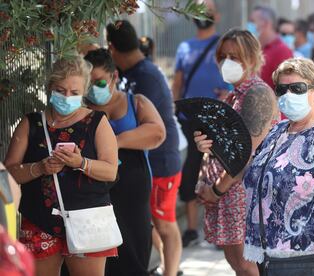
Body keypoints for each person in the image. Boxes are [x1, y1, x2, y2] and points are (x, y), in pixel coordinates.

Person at [213, 57, 314, 276]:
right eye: (283, 89)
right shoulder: (278, 131)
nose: (289, 95)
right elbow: (251, 169)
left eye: (297, 88)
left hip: (305, 258)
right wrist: (212, 146)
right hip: (267, 255)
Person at [4, 56, 119, 276]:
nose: (67, 97)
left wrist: (81, 163)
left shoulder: (97, 122)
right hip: (39, 220)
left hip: (88, 221)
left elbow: (111, 170)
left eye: (74, 92)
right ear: (50, 88)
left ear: (84, 91)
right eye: (61, 90)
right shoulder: (31, 123)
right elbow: (9, 172)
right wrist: (39, 168)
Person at [195, 28, 277, 276]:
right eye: (223, 56)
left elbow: (246, 154)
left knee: (246, 265)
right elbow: (223, 148)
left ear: (252, 58)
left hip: (243, 193)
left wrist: (217, 189)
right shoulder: (234, 95)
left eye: (236, 56)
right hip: (227, 192)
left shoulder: (257, 94)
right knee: (237, 264)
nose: (227, 62)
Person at [106, 20, 182, 276]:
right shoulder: (132, 72)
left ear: (112, 47)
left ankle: (171, 271)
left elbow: (154, 128)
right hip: (144, 162)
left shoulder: (145, 75)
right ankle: (162, 267)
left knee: (165, 223)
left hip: (160, 160)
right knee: (152, 223)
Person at [83, 49, 166, 276]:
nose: (93, 88)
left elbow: (157, 133)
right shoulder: (81, 108)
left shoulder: (136, 102)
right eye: (88, 83)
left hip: (133, 194)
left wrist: (115, 141)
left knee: (134, 251)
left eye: (99, 82)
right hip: (96, 192)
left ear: (115, 77)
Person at [171, 0, 229, 248]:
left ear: (217, 15)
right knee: (191, 173)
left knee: (221, 172)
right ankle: (193, 229)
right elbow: (178, 81)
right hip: (190, 120)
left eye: (208, 9)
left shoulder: (223, 46)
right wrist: (175, 108)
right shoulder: (184, 47)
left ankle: (221, 229)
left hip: (218, 119)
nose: (203, 15)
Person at [247, 5, 292, 90]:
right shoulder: (255, 49)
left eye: (252, 21)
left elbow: (286, 90)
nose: (249, 25)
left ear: (266, 24)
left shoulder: (282, 51)